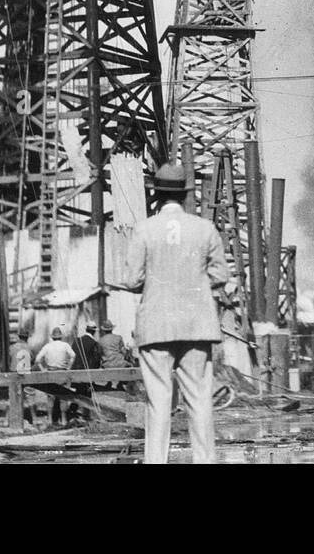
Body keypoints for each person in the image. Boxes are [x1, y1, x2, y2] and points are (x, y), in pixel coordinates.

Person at [107, 163, 233, 464]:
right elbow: (220, 275)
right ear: (185, 194)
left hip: (156, 326)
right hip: (197, 324)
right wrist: (194, 283)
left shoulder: (144, 229)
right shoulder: (204, 229)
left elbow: (133, 280)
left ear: (156, 194)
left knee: (158, 402)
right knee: (200, 401)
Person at [34, 327, 76, 428]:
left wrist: (43, 369)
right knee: (64, 397)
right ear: (61, 337)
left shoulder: (47, 346)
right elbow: (73, 355)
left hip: (51, 371)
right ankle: (64, 419)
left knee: (50, 397)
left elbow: (37, 359)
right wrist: (69, 367)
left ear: (52, 337)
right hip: (62, 371)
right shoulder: (65, 345)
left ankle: (49, 419)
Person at [8, 331, 36, 425]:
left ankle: (7, 420)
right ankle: (34, 418)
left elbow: (8, 359)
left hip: (14, 374)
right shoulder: (29, 348)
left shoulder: (11, 348)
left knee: (12, 396)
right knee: (30, 396)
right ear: (27, 338)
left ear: (19, 337)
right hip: (26, 374)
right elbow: (33, 360)